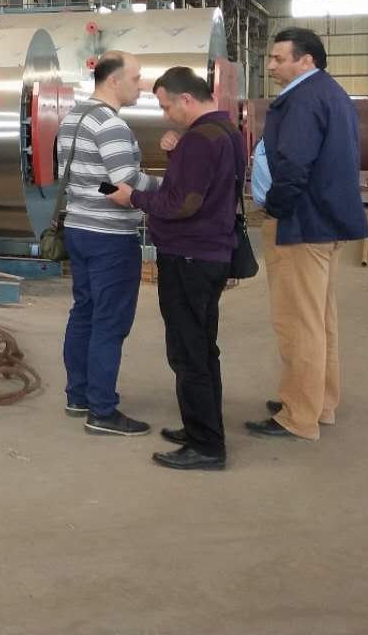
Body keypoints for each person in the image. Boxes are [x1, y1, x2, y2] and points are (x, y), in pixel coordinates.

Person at [109, 67, 246, 471]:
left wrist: (134, 197)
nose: (166, 115)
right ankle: (202, 428)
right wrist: (176, 154)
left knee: (188, 353)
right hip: (211, 255)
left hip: (189, 257)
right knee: (203, 347)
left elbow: (184, 202)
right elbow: (208, 183)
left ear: (186, 99)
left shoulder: (200, 140)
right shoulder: (226, 133)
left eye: (166, 106)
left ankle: (207, 446)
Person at [244, 27, 367, 442]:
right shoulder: (332, 94)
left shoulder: (303, 100)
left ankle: (298, 415)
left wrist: (275, 208)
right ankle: (319, 403)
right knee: (319, 321)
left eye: (279, 58)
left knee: (298, 323)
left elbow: (294, 165)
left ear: (306, 60)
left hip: (300, 224)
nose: (271, 66)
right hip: (325, 222)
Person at [55, 50, 157, 437]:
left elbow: (87, 180)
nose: (141, 85)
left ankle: (78, 395)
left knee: (84, 311)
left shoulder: (74, 117)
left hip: (78, 229)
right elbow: (123, 184)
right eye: (136, 78)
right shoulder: (111, 124)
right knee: (109, 322)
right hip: (109, 237)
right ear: (113, 80)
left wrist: (100, 190)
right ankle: (102, 411)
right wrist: (168, 184)